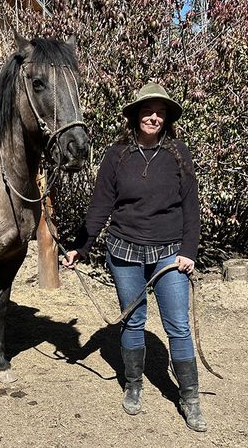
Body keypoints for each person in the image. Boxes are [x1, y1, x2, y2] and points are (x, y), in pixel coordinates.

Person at [62, 82, 206, 432]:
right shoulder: (117, 155)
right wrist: (81, 245)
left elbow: (191, 207)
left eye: (160, 112)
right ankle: (134, 385)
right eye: (147, 110)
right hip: (124, 251)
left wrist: (188, 251)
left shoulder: (178, 154)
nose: (153, 117)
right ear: (135, 115)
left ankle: (190, 397)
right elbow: (101, 205)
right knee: (133, 321)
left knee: (178, 325)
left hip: (170, 253)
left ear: (166, 118)